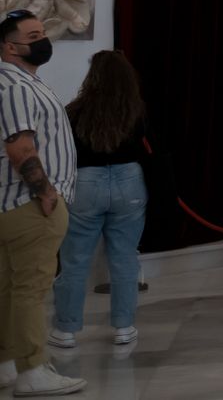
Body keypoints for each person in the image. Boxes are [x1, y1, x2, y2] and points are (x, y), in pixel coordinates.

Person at [0, 8, 85, 396]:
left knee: (10, 289)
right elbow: (20, 147)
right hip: (29, 205)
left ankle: (7, 363)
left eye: (41, 33)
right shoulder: (15, 86)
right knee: (30, 290)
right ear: (9, 46)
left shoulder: (21, 81)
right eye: (32, 36)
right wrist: (45, 192)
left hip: (16, 205)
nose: (42, 41)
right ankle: (32, 369)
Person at [48, 51, 148, 350]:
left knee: (74, 260)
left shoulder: (75, 110)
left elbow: (66, 151)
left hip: (86, 182)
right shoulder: (137, 109)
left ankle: (65, 330)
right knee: (125, 257)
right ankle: (124, 327)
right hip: (129, 181)